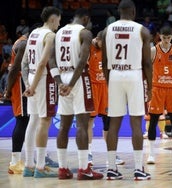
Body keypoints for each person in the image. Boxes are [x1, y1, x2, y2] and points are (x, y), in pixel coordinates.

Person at [50, 8, 103, 180]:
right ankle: (83, 169)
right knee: (82, 124)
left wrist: (59, 83)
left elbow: (51, 60)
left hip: (62, 77)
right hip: (78, 78)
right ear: (86, 18)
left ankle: (63, 169)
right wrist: (71, 84)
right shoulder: (85, 33)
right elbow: (82, 60)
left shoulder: (58, 33)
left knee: (64, 126)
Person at [102, 0, 152, 180]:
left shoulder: (107, 30)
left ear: (118, 12)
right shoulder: (142, 30)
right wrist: (151, 87)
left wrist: (109, 82)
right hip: (134, 75)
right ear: (133, 11)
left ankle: (111, 168)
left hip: (114, 73)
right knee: (136, 122)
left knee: (113, 123)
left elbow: (104, 61)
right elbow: (147, 62)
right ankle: (139, 169)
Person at [21, 6, 61, 178]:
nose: (59, 24)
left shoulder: (33, 33)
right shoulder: (50, 35)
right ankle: (40, 166)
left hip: (31, 78)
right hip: (42, 79)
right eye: (58, 20)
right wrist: (34, 85)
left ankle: (29, 166)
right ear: (53, 19)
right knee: (44, 121)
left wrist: (28, 85)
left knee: (33, 121)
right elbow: (42, 62)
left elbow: (25, 62)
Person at [87, 31, 124, 166]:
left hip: (106, 88)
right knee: (89, 121)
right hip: (91, 88)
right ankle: (88, 154)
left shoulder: (109, 49)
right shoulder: (87, 47)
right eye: (104, 43)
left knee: (108, 122)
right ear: (97, 39)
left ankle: (111, 154)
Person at [147, 26, 172, 165]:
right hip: (157, 88)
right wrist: (148, 87)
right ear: (159, 36)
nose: (166, 40)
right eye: (164, 38)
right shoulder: (153, 50)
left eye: (168, 38)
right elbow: (147, 69)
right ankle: (151, 154)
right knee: (153, 120)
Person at [5, 31, 29, 174]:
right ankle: (14, 163)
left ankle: (36, 158)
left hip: (22, 82)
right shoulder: (24, 43)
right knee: (22, 120)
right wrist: (8, 89)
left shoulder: (21, 40)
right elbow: (14, 69)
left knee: (28, 121)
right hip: (20, 84)